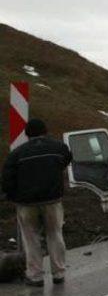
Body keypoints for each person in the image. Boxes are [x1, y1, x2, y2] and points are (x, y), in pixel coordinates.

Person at [1, 119, 72, 287]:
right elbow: (67, 159)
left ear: (27, 134)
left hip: (26, 204)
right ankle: (59, 273)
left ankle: (35, 276)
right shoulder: (58, 148)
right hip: (52, 201)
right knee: (55, 235)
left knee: (31, 239)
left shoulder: (17, 154)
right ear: (45, 131)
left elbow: (7, 179)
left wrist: (13, 196)